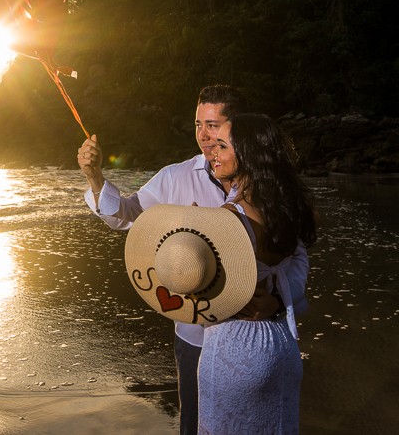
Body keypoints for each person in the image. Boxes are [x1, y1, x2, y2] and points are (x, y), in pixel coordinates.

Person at [77, 86, 310, 435]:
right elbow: (127, 215)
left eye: (214, 126)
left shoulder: (264, 193)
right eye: (198, 123)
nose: (203, 136)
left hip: (246, 336)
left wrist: (277, 301)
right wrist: (95, 177)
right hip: (197, 338)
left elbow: (297, 258)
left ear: (239, 129)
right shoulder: (175, 177)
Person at [196, 113, 319, 434]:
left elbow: (199, 296)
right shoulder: (294, 207)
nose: (212, 153)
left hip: (235, 347)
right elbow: (298, 269)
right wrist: (277, 302)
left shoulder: (229, 217)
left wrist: (192, 240)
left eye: (222, 147)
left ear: (247, 155)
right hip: (281, 341)